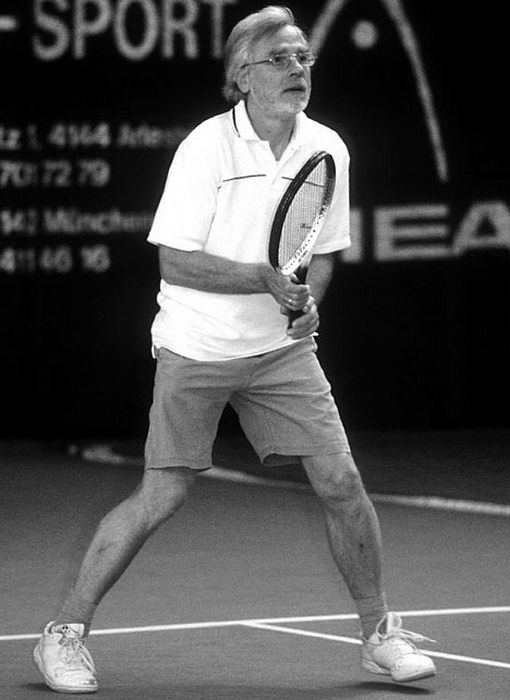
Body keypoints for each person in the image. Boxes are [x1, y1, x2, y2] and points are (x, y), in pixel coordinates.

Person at [33, 6, 436, 693]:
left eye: (304, 57)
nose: (297, 70)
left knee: (342, 484)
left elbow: (322, 252)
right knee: (163, 494)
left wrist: (308, 305)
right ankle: (63, 634)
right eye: (280, 59)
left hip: (279, 352)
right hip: (196, 344)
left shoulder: (327, 148)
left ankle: (378, 635)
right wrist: (262, 280)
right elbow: (175, 262)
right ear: (242, 76)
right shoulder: (205, 148)